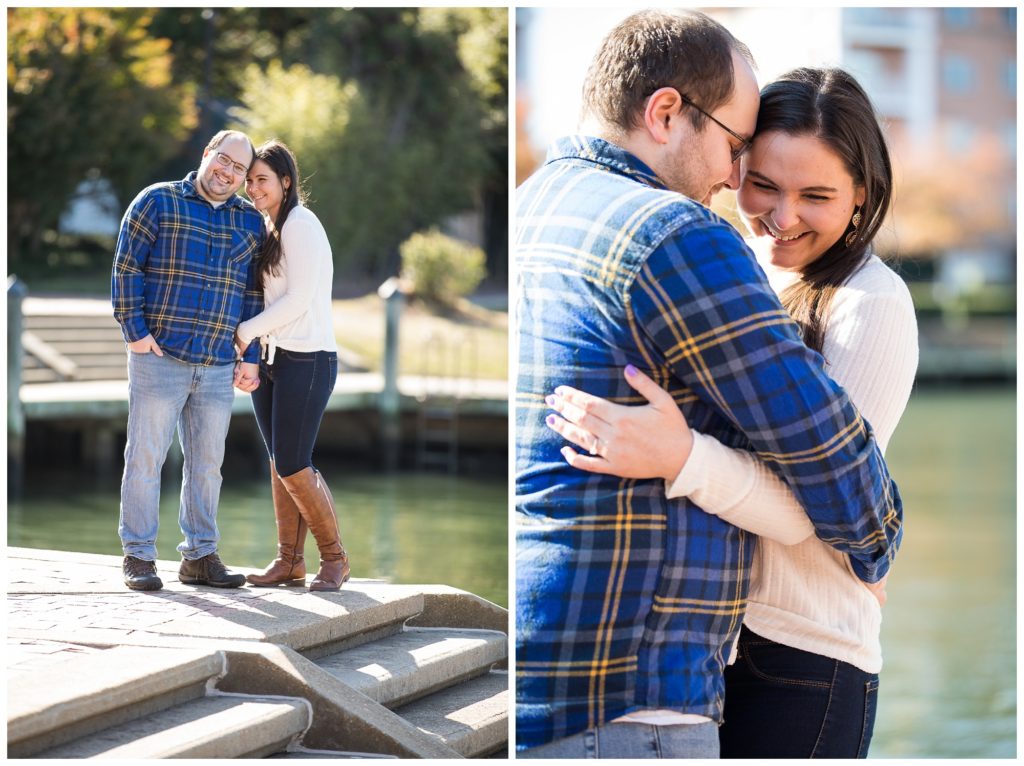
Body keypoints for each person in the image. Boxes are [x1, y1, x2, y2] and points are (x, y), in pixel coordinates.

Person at [515, 10, 904, 759]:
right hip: (637, 690)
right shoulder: (683, 236)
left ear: (862, 195)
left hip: (763, 662)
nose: (737, 184)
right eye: (742, 158)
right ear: (666, 112)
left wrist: (682, 455)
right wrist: (875, 546)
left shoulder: (536, 203)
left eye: (816, 196)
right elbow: (860, 499)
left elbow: (831, 496)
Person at [113, 129, 263, 592]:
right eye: (224, 160)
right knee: (145, 458)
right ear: (206, 154)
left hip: (217, 364)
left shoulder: (249, 222)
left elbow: (252, 295)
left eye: (239, 168)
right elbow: (126, 268)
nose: (228, 172)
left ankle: (200, 555)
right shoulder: (157, 201)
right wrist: (136, 334)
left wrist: (251, 356)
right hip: (160, 357)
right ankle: (138, 556)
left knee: (207, 466)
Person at [235, 140, 349, 592]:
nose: (253, 187)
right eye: (250, 180)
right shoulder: (269, 226)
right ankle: (289, 562)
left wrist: (244, 332)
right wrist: (253, 354)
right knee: (279, 461)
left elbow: (299, 300)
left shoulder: (301, 225)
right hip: (272, 359)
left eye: (262, 179)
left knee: (294, 464)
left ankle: (335, 559)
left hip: (309, 359)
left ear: (286, 181)